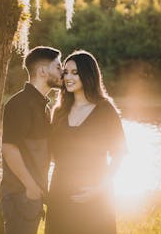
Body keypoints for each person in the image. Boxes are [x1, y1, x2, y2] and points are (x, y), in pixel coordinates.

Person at [45, 50, 127, 234]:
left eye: (75, 72)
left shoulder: (105, 110)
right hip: (60, 195)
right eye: (66, 72)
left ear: (88, 74)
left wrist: (99, 188)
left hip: (95, 197)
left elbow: (119, 153)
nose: (68, 77)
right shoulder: (59, 112)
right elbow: (50, 154)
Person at [1, 46, 63, 234]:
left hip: (32, 196)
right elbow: (9, 148)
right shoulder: (19, 104)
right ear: (42, 71)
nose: (63, 72)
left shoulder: (42, 106)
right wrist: (31, 187)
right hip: (21, 195)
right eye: (58, 67)